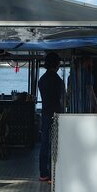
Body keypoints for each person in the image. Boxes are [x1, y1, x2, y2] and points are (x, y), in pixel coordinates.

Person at [38, 52, 64, 182]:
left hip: (45, 113)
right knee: (55, 144)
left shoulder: (41, 80)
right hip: (56, 115)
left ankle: (43, 173)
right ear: (56, 64)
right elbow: (61, 100)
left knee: (44, 144)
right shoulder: (58, 80)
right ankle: (53, 174)